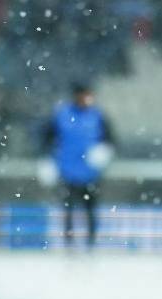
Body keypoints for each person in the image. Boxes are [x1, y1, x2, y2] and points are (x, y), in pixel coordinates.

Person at [41, 82, 116, 250]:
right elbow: (47, 138)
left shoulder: (97, 116)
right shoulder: (61, 115)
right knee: (68, 209)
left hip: (90, 173)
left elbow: (110, 139)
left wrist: (103, 152)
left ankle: (91, 243)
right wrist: (48, 160)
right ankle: (69, 243)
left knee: (90, 209)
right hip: (67, 171)